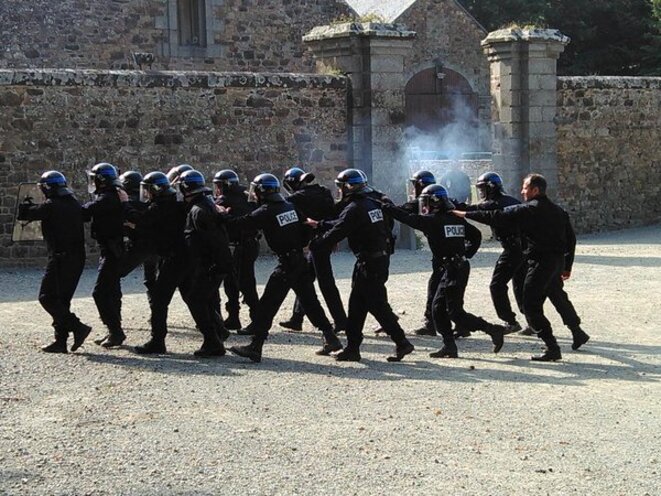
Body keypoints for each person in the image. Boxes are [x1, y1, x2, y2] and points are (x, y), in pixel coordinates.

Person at [452, 173, 584, 361]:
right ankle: (577, 331)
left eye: (525, 187)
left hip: (540, 262)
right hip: (556, 262)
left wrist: (464, 214)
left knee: (530, 304)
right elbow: (571, 240)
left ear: (535, 190)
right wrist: (567, 266)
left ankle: (552, 347)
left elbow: (495, 216)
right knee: (556, 295)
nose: (522, 191)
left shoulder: (528, 209)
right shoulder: (558, 211)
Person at [223, 173, 342, 363]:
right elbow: (306, 228)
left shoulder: (267, 211)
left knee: (267, 304)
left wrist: (222, 215)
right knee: (310, 302)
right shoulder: (290, 206)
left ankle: (255, 346)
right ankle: (331, 337)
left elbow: (240, 224)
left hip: (286, 265)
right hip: (299, 260)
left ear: (262, 191)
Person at [383, 184, 505, 358]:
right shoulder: (455, 218)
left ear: (435, 202)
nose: (424, 205)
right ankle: (451, 345)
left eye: (426, 201)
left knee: (450, 311)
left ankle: (491, 330)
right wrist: (465, 254)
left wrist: (388, 207)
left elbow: (409, 219)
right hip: (459, 266)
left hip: (452, 269)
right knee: (442, 309)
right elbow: (476, 235)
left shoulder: (434, 221)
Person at [308, 169, 415, 362]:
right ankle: (352, 348)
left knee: (376, 305)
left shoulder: (355, 207)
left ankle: (402, 342)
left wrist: (317, 245)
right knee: (357, 305)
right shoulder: (371, 203)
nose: (339, 191)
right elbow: (346, 223)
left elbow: (340, 229)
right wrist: (320, 224)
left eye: (341, 186)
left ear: (348, 188)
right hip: (377, 259)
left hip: (369, 262)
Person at [17, 171, 92, 353]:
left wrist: (25, 205)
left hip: (61, 258)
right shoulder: (74, 204)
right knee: (61, 300)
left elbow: (28, 214)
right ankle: (61, 341)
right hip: (76, 258)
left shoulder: (51, 206)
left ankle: (78, 327)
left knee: (47, 297)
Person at [118, 171, 187, 354]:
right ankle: (214, 335)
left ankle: (158, 341)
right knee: (193, 296)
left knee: (159, 300)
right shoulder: (173, 201)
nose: (146, 194)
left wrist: (124, 203)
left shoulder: (160, 206)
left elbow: (141, 219)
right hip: (178, 255)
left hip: (173, 257)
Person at [279, 166, 347, 334]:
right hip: (325, 239)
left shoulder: (297, 198)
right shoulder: (324, 192)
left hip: (317, 243)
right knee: (306, 281)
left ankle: (341, 321)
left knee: (325, 283)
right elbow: (332, 215)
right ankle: (297, 318)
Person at [461, 172, 524, 334]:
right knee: (521, 287)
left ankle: (510, 321)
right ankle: (533, 321)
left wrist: (452, 206)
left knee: (497, 285)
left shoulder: (496, 203)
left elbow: (473, 210)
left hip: (513, 249)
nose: (481, 192)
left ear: (491, 187)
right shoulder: (511, 201)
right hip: (524, 249)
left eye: (482, 188)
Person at [179, 170, 233, 357]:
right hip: (213, 263)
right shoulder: (206, 204)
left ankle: (212, 342)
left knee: (195, 300)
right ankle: (219, 332)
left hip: (210, 264)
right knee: (205, 299)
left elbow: (213, 240)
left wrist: (213, 265)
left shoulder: (199, 210)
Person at [83, 162, 126, 348]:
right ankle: (114, 331)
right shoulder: (111, 195)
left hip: (112, 250)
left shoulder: (108, 198)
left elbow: (85, 211)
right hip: (110, 248)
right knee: (113, 292)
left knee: (100, 293)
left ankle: (116, 331)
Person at [212, 169, 260, 330]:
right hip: (250, 244)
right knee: (240, 282)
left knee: (239, 283)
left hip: (238, 245)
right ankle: (236, 318)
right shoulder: (248, 196)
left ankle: (254, 320)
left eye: (219, 186)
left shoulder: (224, 200)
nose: (217, 190)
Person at [402, 170, 438, 336]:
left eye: (415, 185)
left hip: (443, 256)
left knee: (437, 289)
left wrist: (385, 206)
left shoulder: (424, 201)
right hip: (443, 254)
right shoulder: (443, 199)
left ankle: (432, 324)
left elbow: (404, 211)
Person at [117, 171, 159, 305]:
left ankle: (112, 311)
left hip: (140, 246)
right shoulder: (148, 200)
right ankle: (156, 310)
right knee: (150, 280)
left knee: (115, 274)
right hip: (153, 245)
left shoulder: (131, 202)